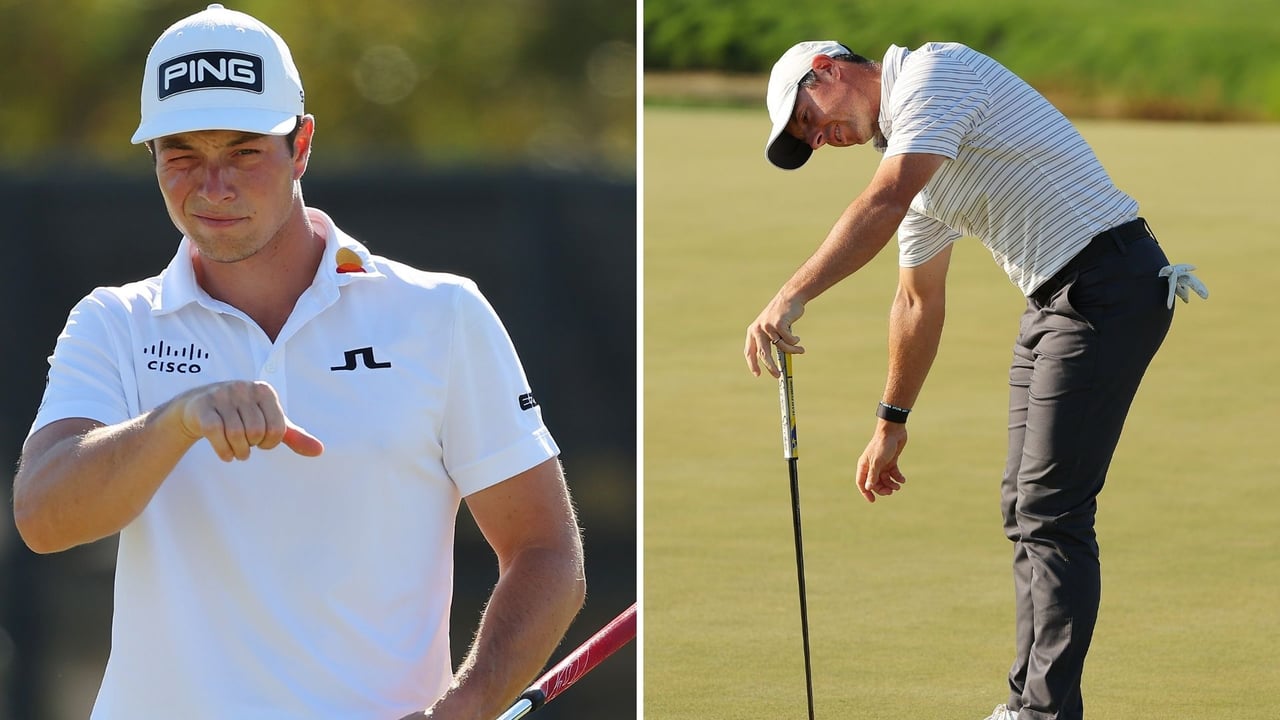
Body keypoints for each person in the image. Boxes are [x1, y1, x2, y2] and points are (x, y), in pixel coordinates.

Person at [12, 5, 585, 719]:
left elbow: (545, 551)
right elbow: (43, 516)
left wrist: (471, 700)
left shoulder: (442, 315)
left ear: (301, 146)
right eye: (182, 154)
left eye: (245, 151)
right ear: (152, 155)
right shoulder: (113, 322)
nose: (212, 187)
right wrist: (177, 422)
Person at [743, 40, 1207, 720]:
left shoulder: (934, 74)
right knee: (1025, 509)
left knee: (1052, 512)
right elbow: (915, 301)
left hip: (1111, 284)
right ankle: (1027, 705)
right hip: (1056, 302)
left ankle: (1044, 714)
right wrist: (889, 422)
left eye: (810, 120)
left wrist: (790, 294)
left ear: (828, 70)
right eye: (808, 140)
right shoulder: (915, 159)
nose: (821, 139)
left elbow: (886, 199)